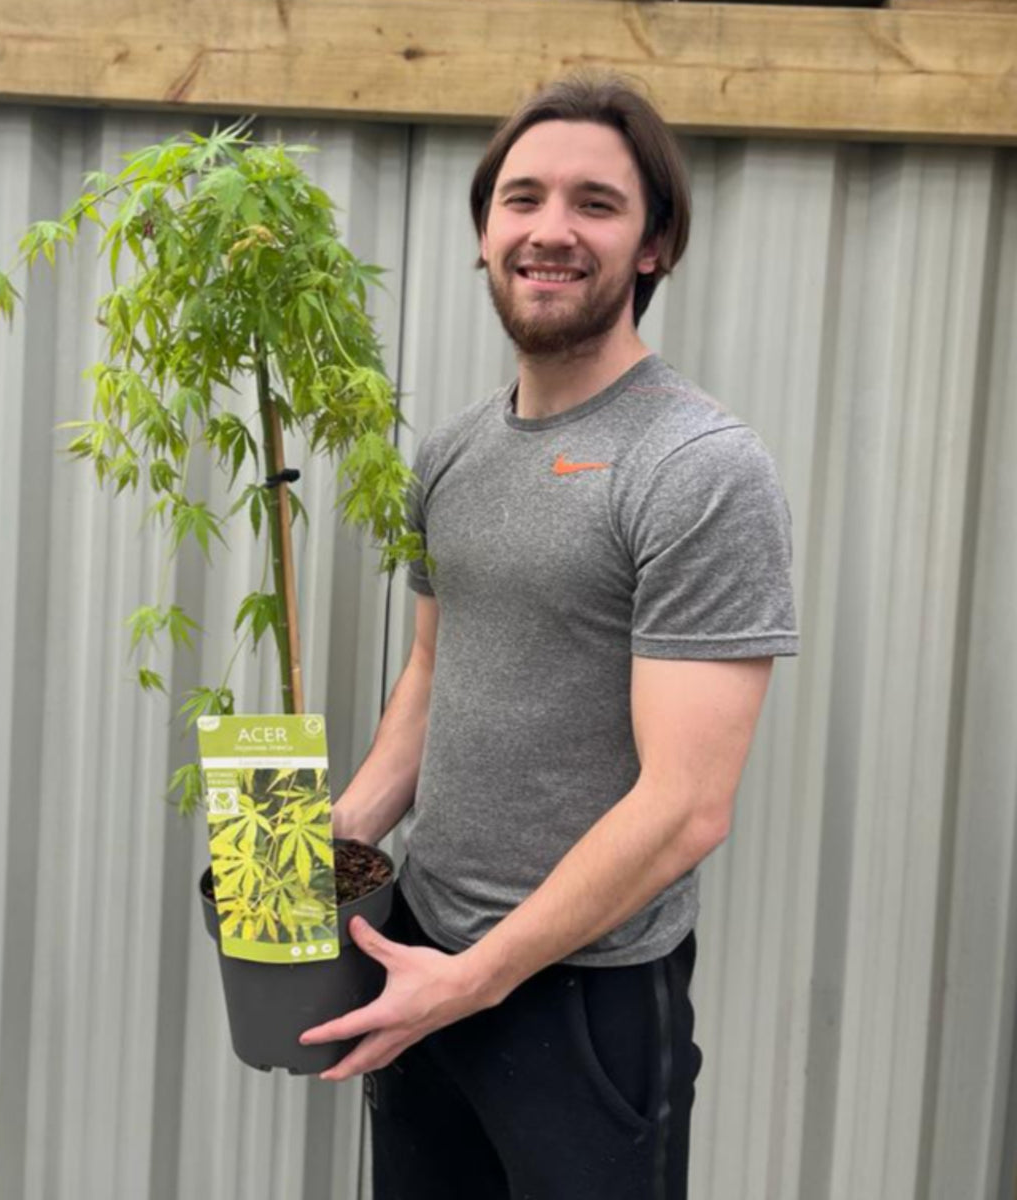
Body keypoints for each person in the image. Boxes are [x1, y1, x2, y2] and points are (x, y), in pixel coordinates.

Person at [301, 73, 799, 1199]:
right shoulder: (454, 453)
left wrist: (476, 978)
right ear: (486, 234)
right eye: (521, 199)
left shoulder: (699, 468)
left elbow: (687, 805)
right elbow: (433, 673)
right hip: (424, 952)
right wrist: (317, 854)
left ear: (655, 244)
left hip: (585, 1001)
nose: (551, 230)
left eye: (596, 203)